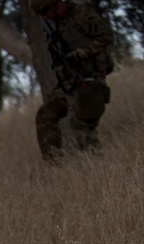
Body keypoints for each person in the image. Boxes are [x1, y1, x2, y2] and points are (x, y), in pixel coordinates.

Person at [32, 0, 114, 161]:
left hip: (90, 78)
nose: (46, 17)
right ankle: (55, 166)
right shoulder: (53, 26)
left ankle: (96, 165)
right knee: (45, 115)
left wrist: (82, 52)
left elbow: (106, 37)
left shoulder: (80, 14)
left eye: (46, 12)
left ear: (55, 5)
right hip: (69, 83)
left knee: (81, 125)